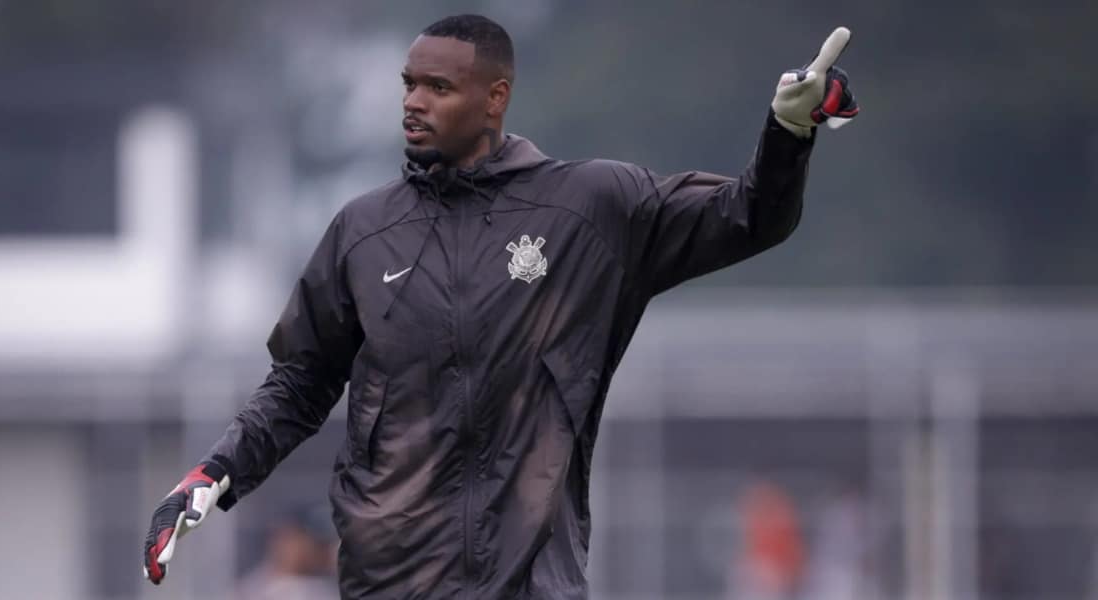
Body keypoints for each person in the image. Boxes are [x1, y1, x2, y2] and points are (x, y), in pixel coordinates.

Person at [143, 14, 860, 599]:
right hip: (388, 582)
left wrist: (787, 135)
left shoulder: (589, 208)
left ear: (495, 98)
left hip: (531, 581)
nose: (412, 102)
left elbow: (747, 217)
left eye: (437, 87)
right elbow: (300, 382)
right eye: (407, 85)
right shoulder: (363, 232)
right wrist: (213, 473)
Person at [234, 504, 340, 600]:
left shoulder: (326, 589)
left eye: (323, 544)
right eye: (316, 543)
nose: (319, 550)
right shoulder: (250, 588)